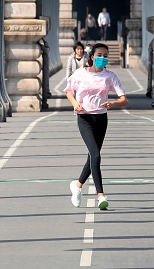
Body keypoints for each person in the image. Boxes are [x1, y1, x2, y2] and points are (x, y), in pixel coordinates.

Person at [65, 43, 128, 210]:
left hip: (101, 118)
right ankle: (101, 196)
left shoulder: (110, 76)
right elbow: (69, 90)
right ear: (92, 57)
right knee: (96, 154)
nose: (102, 58)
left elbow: (124, 100)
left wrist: (113, 103)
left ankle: (77, 186)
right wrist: (75, 103)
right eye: (99, 55)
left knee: (92, 157)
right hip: (84, 117)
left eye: (105, 55)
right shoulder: (80, 74)